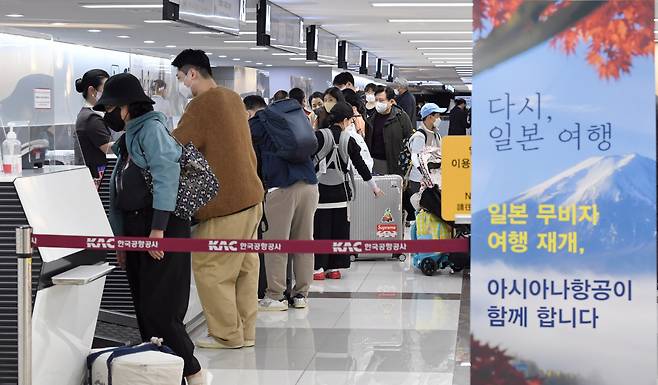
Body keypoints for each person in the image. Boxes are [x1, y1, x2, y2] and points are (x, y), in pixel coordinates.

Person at [96, 73, 205, 385]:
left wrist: (157, 231)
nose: (109, 114)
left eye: (112, 107)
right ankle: (162, 373)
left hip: (160, 227)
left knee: (161, 309)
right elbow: (120, 191)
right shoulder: (131, 135)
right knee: (144, 308)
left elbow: (166, 177)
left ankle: (193, 371)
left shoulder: (152, 130)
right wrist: (122, 242)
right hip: (136, 229)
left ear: (127, 106)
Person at [171, 49, 264, 350]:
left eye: (182, 77)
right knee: (245, 268)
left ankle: (226, 335)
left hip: (225, 202)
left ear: (193, 73)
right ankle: (245, 332)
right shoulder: (233, 98)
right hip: (252, 196)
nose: (183, 84)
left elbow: (177, 144)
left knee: (211, 267)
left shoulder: (201, 104)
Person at [243, 95, 320, 310]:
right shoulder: (288, 118)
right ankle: (301, 294)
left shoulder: (256, 125)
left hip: (281, 187)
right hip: (310, 184)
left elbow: (252, 161)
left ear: (249, 111)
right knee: (304, 242)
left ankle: (275, 296)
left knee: (276, 243)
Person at [313, 102, 383, 280]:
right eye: (350, 120)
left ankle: (318, 268)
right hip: (341, 193)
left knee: (320, 230)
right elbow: (360, 166)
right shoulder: (348, 139)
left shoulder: (319, 136)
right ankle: (334, 268)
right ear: (345, 120)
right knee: (339, 230)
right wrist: (374, 187)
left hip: (320, 193)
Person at [406, 103, 446, 221]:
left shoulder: (435, 134)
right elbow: (415, 158)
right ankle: (418, 236)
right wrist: (425, 175)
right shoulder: (420, 136)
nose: (439, 119)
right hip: (419, 180)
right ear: (429, 117)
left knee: (427, 213)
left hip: (431, 179)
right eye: (437, 115)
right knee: (420, 213)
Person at [74, 69, 112, 188]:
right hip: (96, 177)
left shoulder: (88, 115)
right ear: (92, 91)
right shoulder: (92, 119)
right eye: (106, 90)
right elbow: (109, 148)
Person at [365, 85, 413, 176]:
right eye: (376, 100)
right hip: (373, 161)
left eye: (381, 100)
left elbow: (410, 139)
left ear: (391, 101)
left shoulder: (400, 117)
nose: (378, 103)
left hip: (394, 163)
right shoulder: (371, 118)